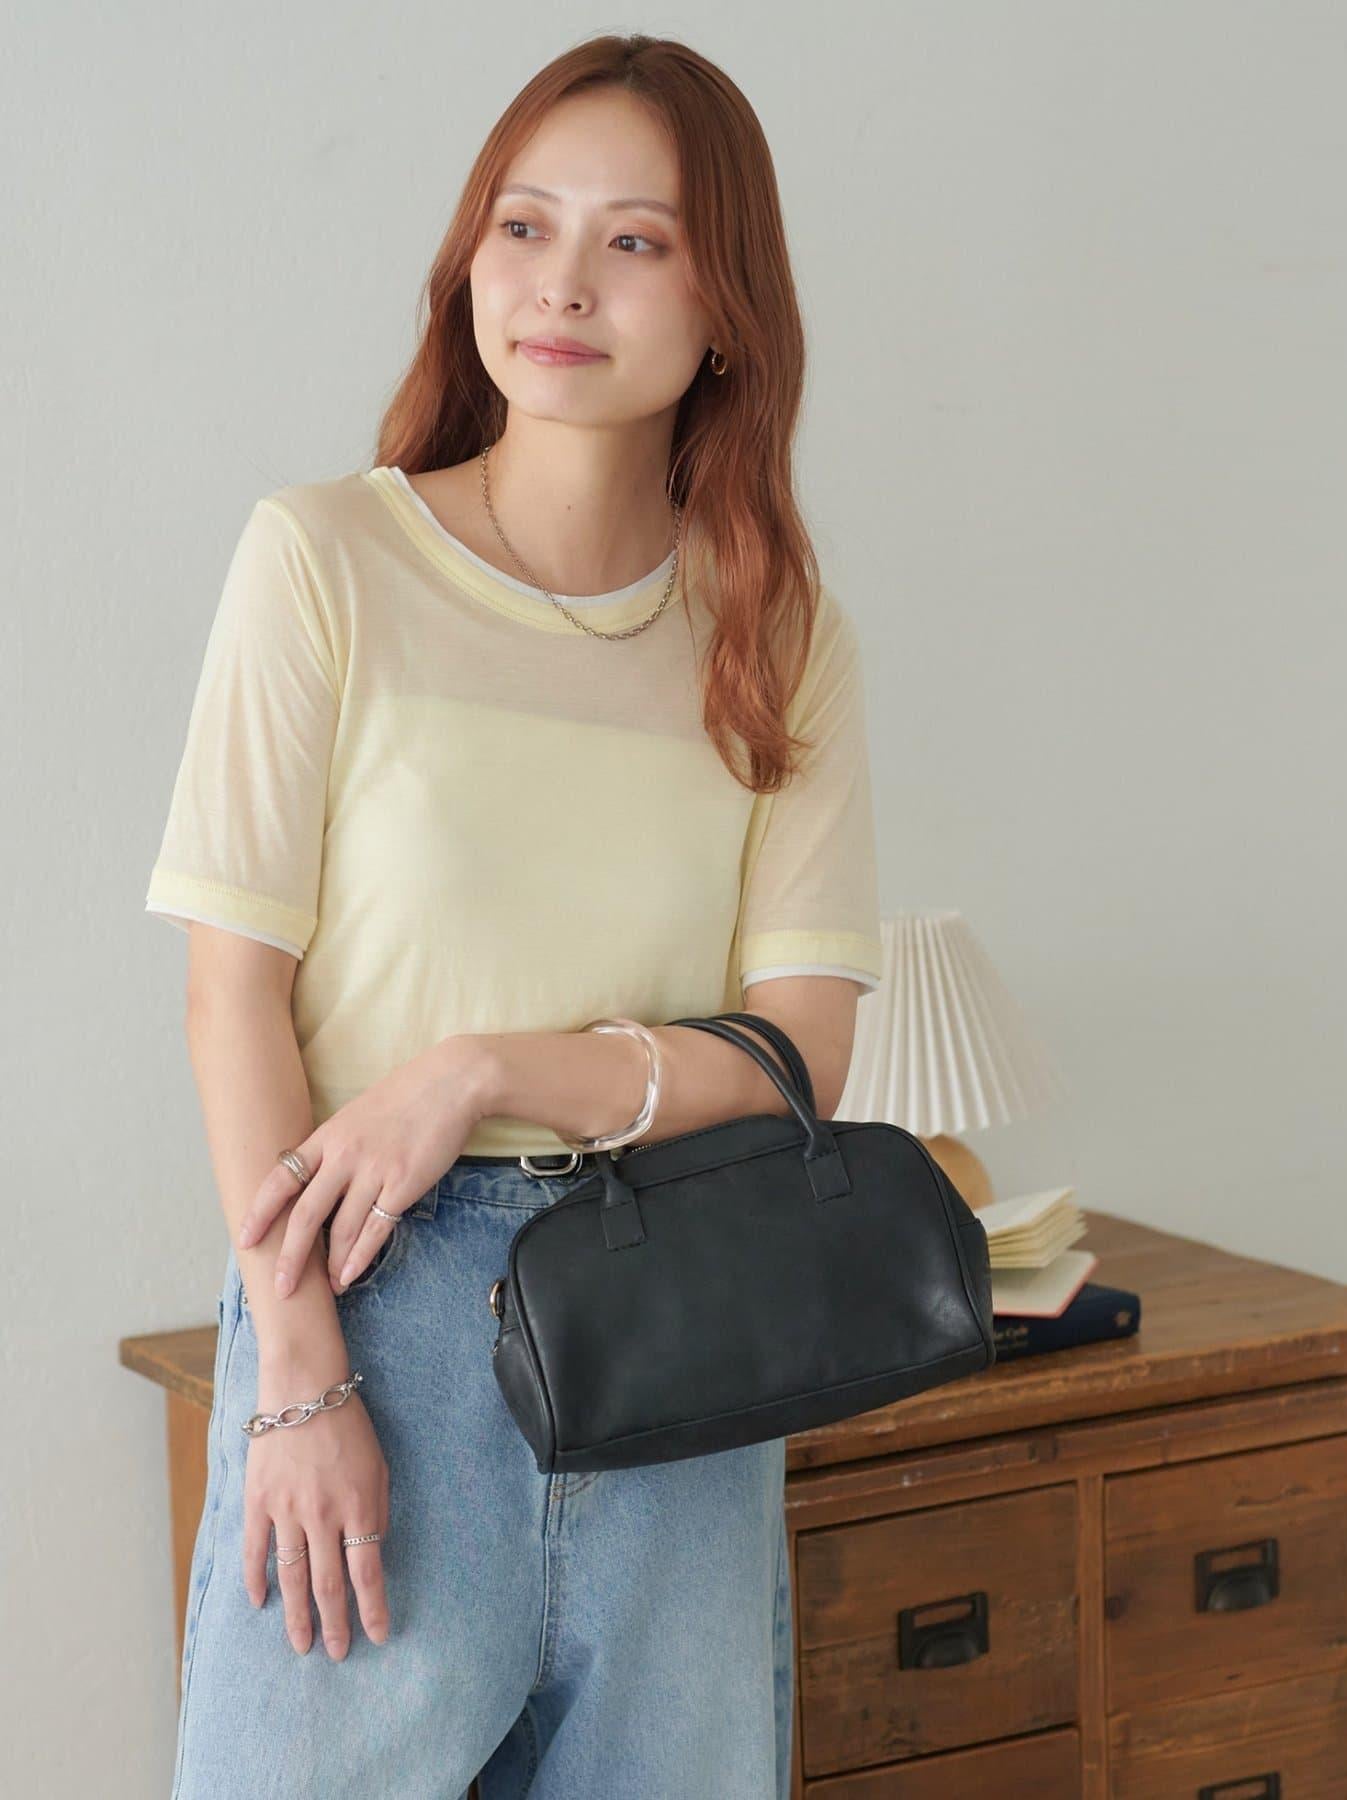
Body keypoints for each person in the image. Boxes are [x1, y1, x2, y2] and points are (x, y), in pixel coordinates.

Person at [147, 33, 883, 1800]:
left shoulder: (776, 630)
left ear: (725, 307)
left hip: (682, 1332)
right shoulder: (325, 560)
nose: (560, 283)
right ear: (468, 259)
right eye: (522, 226)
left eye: (634, 240)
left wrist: (480, 1070)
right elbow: (230, 999)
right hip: (371, 1308)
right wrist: (300, 1378)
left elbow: (805, 1052)